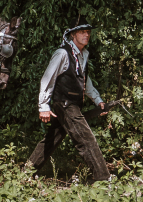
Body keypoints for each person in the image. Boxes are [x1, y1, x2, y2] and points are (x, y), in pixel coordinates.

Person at [27, 16, 111, 181]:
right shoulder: (62, 54)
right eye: (82, 32)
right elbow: (47, 79)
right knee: (86, 138)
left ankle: (25, 174)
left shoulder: (83, 54)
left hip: (73, 104)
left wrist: (98, 100)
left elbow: (85, 82)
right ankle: (102, 179)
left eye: (88, 32)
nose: (86, 35)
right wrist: (43, 106)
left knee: (51, 139)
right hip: (65, 104)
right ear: (73, 34)